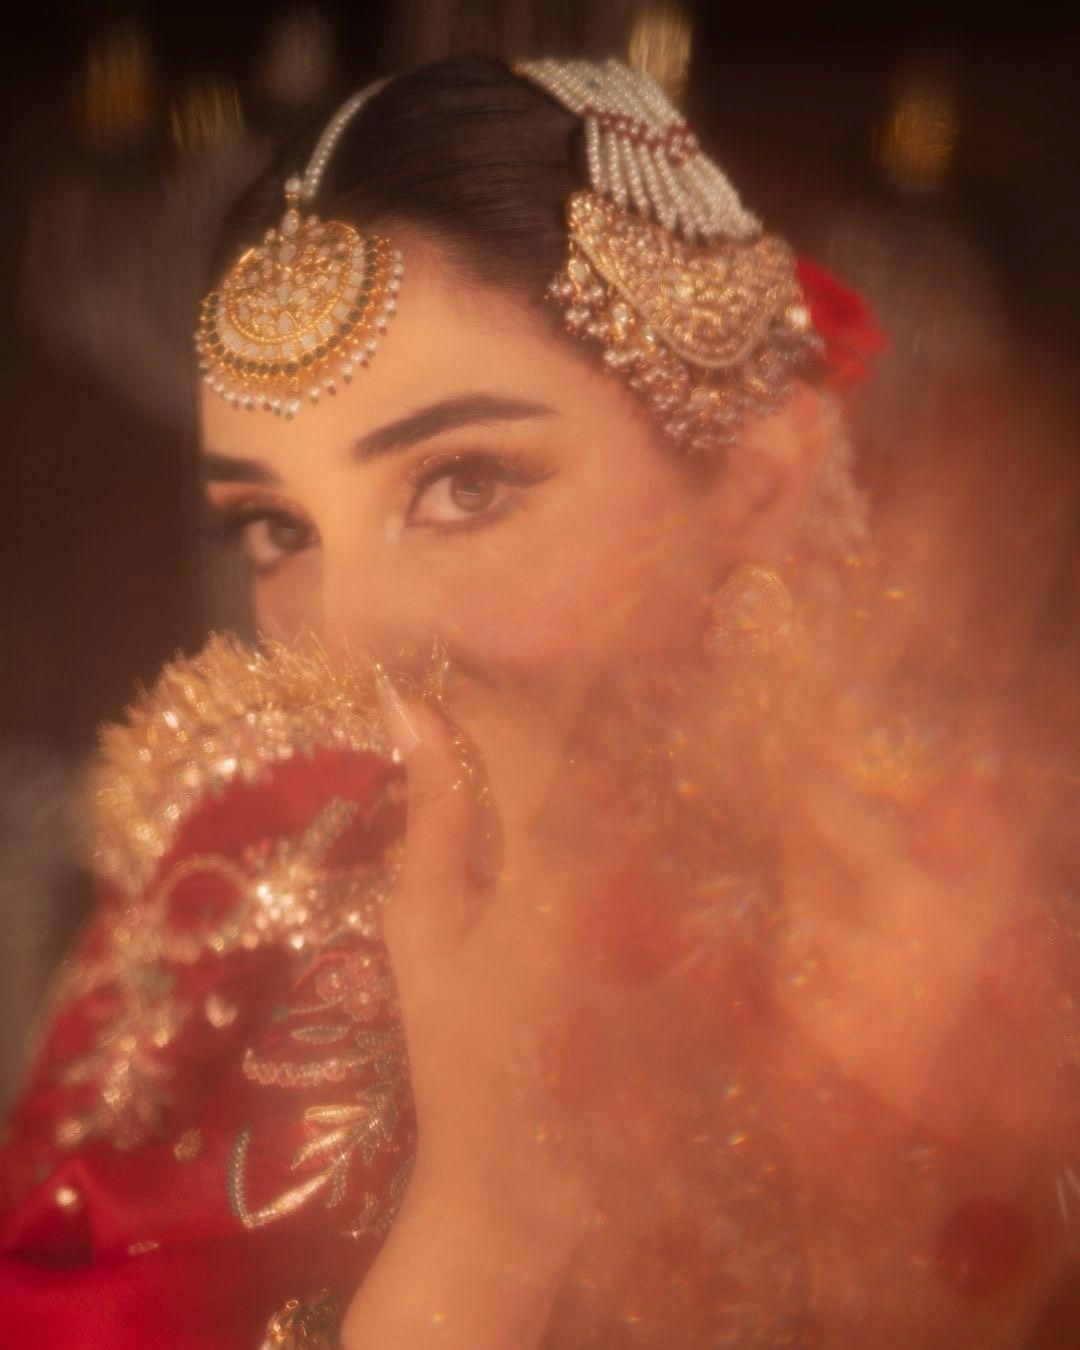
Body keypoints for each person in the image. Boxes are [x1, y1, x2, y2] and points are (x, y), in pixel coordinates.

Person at [2, 55, 1078, 1350]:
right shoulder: (223, 920)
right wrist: (488, 1217)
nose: (349, 639)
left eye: (464, 486)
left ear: (755, 485)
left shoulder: (954, 903)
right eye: (276, 525)